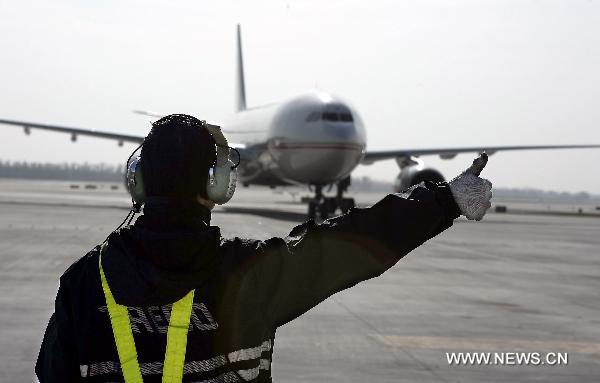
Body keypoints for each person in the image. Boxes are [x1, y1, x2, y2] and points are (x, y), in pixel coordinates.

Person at [35, 114, 492, 382]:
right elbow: (355, 241)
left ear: (136, 180)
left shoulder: (81, 284)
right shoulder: (251, 273)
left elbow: (52, 372)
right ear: (216, 185)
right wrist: (444, 199)